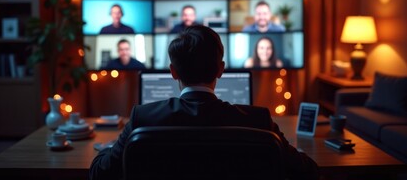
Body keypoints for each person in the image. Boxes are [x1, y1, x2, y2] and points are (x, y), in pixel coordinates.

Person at [89, 25, 318, 180]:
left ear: (173, 72)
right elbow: (308, 171)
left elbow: (99, 174)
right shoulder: (259, 120)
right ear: (221, 70)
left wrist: (111, 147)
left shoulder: (142, 118)